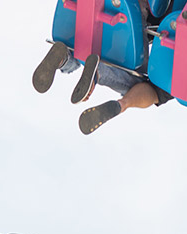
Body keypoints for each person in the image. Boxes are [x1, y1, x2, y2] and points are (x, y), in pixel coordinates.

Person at [32, 0, 173, 134]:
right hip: (130, 13)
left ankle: (64, 58)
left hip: (94, 13)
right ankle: (110, 89)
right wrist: (124, 104)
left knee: (83, 43)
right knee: (149, 85)